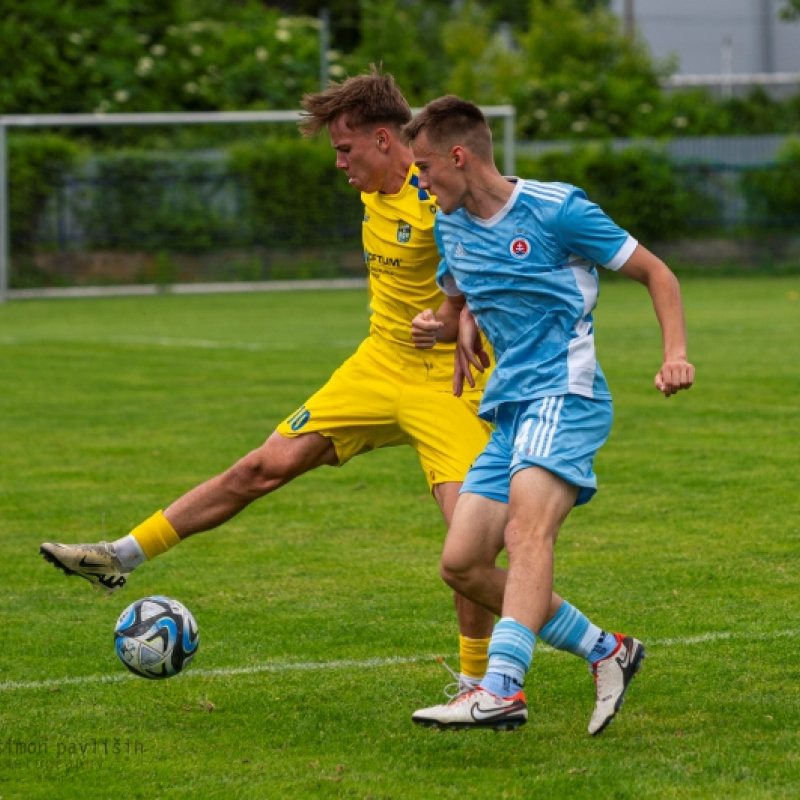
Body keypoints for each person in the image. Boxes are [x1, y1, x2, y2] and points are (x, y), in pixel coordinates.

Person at [39, 69, 497, 693]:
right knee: (260, 467)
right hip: (375, 367)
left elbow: (490, 262)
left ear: (386, 140)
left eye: (345, 149)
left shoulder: (439, 196)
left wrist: (457, 320)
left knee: (466, 549)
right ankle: (117, 557)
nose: (338, 164)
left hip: (450, 383)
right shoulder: (376, 186)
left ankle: (482, 687)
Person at [404, 95, 695, 735]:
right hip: (508, 407)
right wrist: (444, 326)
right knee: (462, 562)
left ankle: (502, 690)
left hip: (567, 393)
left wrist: (675, 354)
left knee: (526, 536)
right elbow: (458, 306)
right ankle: (607, 651)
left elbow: (658, 273)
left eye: (424, 168)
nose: (419, 182)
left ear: (458, 156)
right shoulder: (446, 225)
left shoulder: (556, 209)